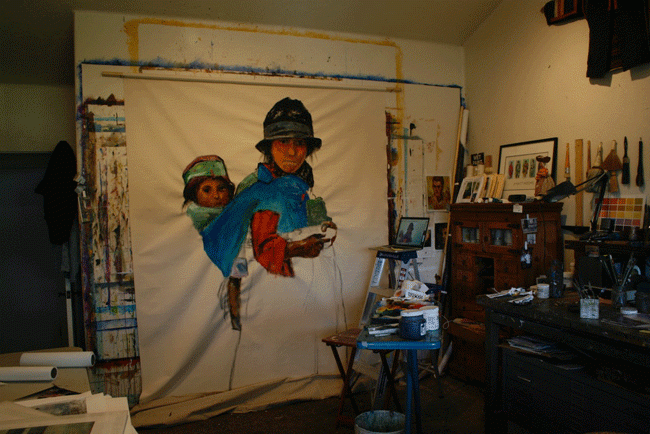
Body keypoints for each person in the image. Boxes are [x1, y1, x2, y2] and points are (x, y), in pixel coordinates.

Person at [182, 155, 245, 330]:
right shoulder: (192, 220)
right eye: (207, 190)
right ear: (194, 195)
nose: (216, 196)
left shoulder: (233, 217)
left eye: (221, 188)